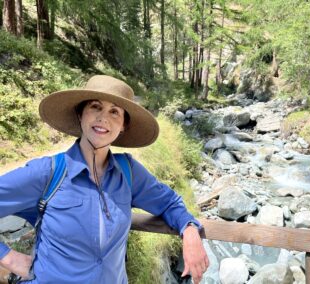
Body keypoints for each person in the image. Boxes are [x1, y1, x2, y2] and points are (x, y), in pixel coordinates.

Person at [0, 75, 209, 283]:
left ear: (123, 125)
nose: (104, 118)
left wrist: (190, 230)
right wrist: (9, 258)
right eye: (95, 107)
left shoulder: (128, 172)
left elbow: (169, 202)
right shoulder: (47, 172)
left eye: (115, 111)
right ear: (80, 114)